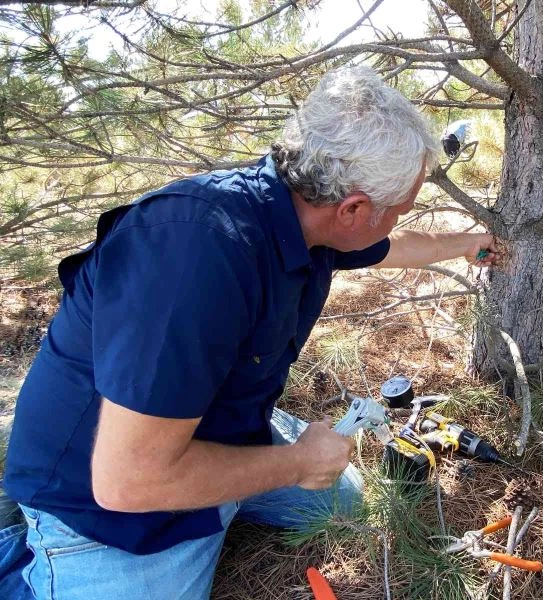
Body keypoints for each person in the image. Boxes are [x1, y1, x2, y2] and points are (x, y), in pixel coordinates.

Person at [0, 66, 497, 599]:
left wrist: (468, 243)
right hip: (107, 504)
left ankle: (231, 486)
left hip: (217, 431)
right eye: (396, 211)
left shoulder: (307, 216)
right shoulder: (193, 259)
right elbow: (128, 481)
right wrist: (298, 462)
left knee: (344, 503)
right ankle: (30, 542)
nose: (397, 222)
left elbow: (391, 247)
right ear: (353, 209)